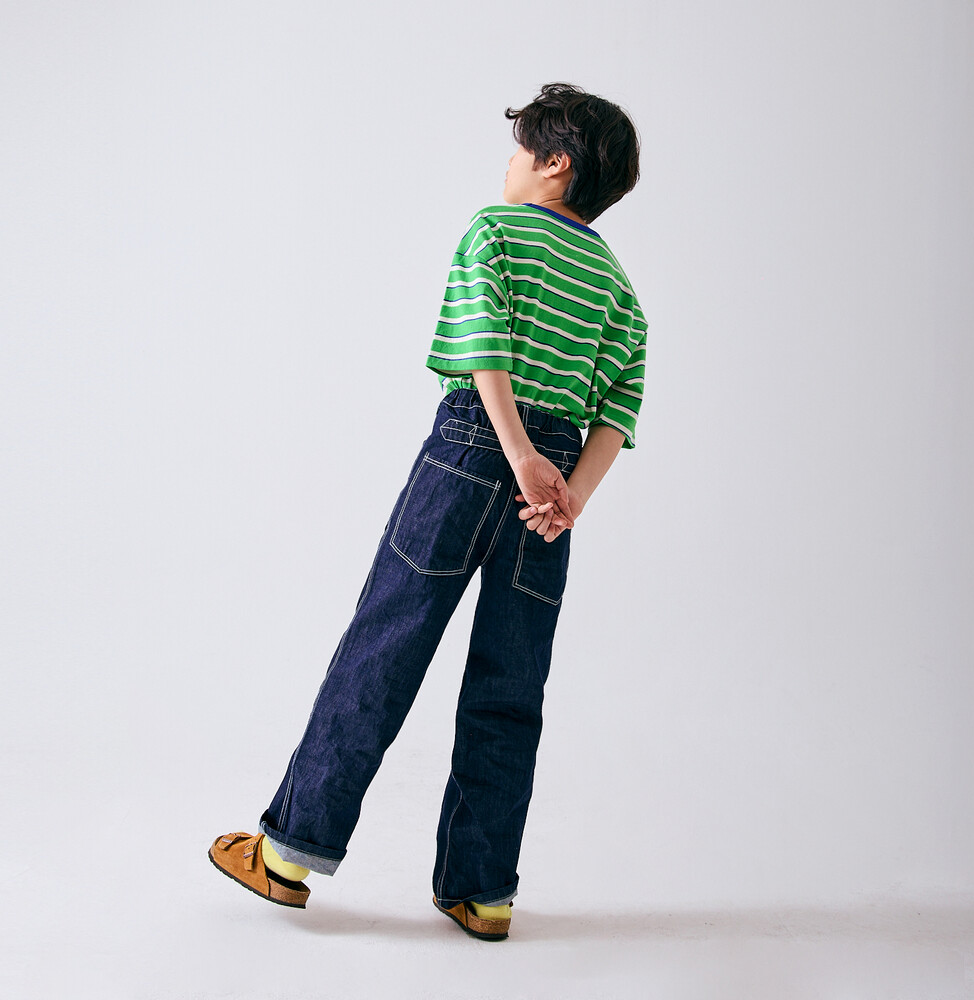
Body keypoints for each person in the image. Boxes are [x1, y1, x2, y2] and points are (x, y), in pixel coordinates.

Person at [208, 82, 647, 942]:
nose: (510, 162)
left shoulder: (497, 229)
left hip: (474, 451)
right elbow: (619, 404)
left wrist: (515, 452)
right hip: (551, 494)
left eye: (522, 147)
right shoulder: (618, 287)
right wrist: (569, 497)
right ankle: (483, 892)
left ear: (555, 164)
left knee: (386, 643)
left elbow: (485, 346)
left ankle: (289, 855)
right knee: (511, 682)